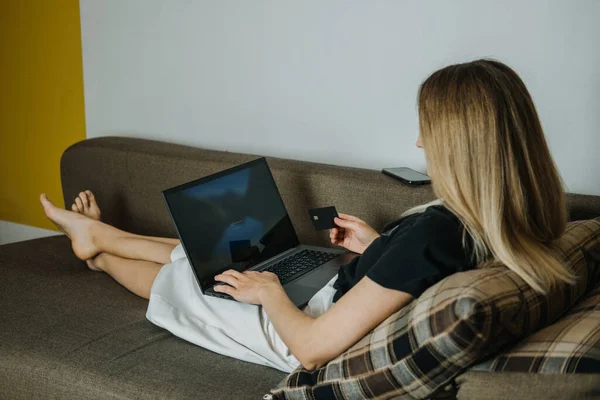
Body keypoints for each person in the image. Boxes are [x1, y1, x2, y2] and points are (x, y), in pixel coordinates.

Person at [39, 59, 574, 373]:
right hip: (340, 295)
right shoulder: (515, 211)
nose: (418, 141)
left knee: (187, 279)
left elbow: (314, 349)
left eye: (427, 130)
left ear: (463, 144)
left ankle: (97, 257)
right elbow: (415, 268)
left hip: (308, 325)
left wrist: (269, 293)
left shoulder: (436, 231)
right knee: (213, 256)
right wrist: (375, 246)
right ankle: (101, 234)